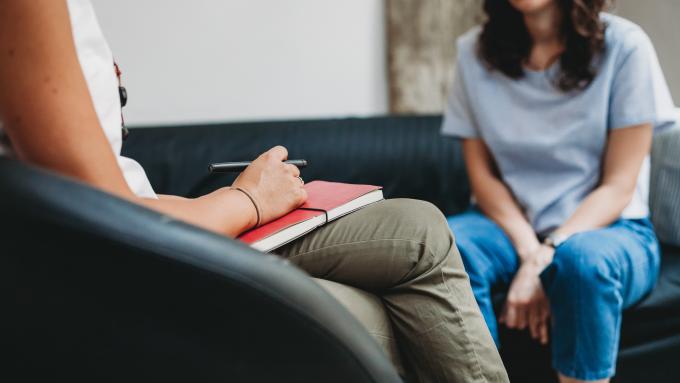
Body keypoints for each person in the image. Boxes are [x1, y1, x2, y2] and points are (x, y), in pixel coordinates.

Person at [0, 0, 510, 382]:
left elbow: (114, 182)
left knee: (418, 226)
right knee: (378, 316)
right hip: (121, 266)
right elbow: (102, 214)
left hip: (146, 227)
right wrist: (247, 200)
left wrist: (215, 204)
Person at [443, 0, 678, 382]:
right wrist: (530, 252)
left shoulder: (626, 46)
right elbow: (483, 179)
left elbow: (619, 186)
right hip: (508, 227)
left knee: (581, 262)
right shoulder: (473, 52)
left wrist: (547, 255)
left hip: (609, 228)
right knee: (444, 245)